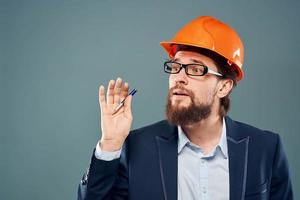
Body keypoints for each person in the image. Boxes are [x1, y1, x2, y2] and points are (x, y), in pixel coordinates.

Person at [78, 16, 293, 200]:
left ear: (224, 86)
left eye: (195, 69)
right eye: (175, 66)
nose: (179, 78)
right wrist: (110, 145)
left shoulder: (266, 149)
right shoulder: (136, 147)